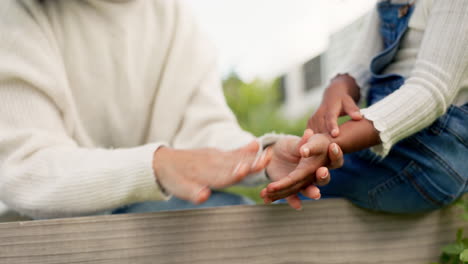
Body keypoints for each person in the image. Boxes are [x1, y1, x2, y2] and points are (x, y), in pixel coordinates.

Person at [0, 0, 344, 220]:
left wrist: (263, 157)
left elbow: (201, 130)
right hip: (45, 231)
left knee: (250, 220)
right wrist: (156, 165)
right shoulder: (18, 14)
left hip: (155, 211)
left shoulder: (172, 15)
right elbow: (25, 168)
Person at [262, 0, 468, 213]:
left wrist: (333, 141)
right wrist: (339, 87)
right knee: (304, 177)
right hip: (393, 142)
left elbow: (431, 89)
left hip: (429, 153)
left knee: (296, 200)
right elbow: (361, 61)